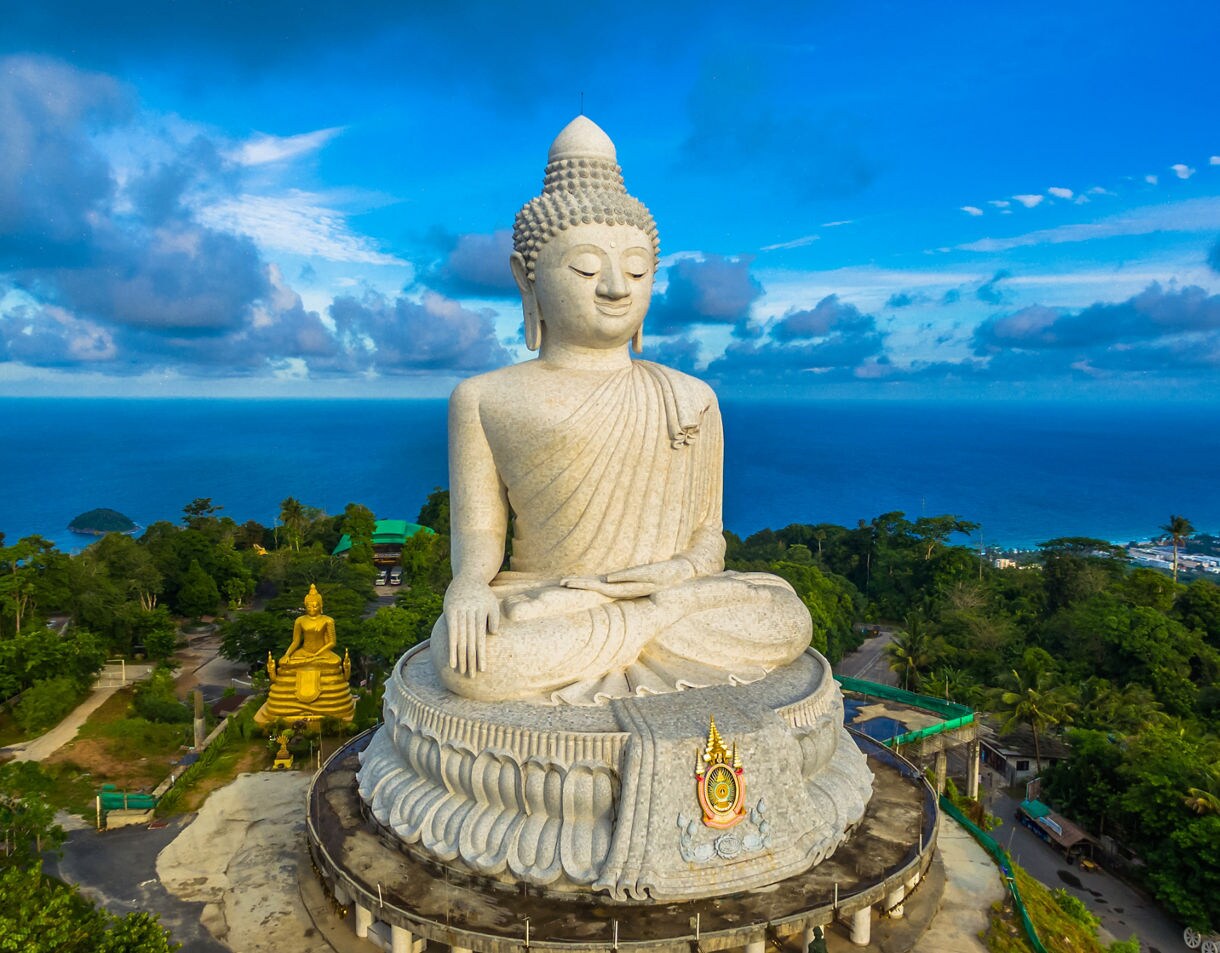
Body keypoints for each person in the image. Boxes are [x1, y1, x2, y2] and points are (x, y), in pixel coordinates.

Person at [429, 118, 811, 705]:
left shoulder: (691, 396)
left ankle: (650, 621)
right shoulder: (483, 398)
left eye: (636, 270)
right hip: (547, 596)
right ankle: (647, 627)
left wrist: (675, 579)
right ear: (525, 278)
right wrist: (468, 588)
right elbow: (482, 531)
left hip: (669, 594)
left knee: (784, 614)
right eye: (585, 268)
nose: (615, 287)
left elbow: (709, 534)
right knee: (474, 660)